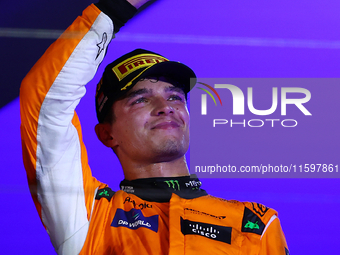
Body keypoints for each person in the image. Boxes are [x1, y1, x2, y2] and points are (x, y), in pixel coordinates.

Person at [20, 0, 289, 254]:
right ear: (107, 134)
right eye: (141, 99)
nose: (165, 106)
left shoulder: (254, 224)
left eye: (175, 96)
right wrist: (117, 6)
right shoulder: (89, 216)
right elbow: (46, 104)